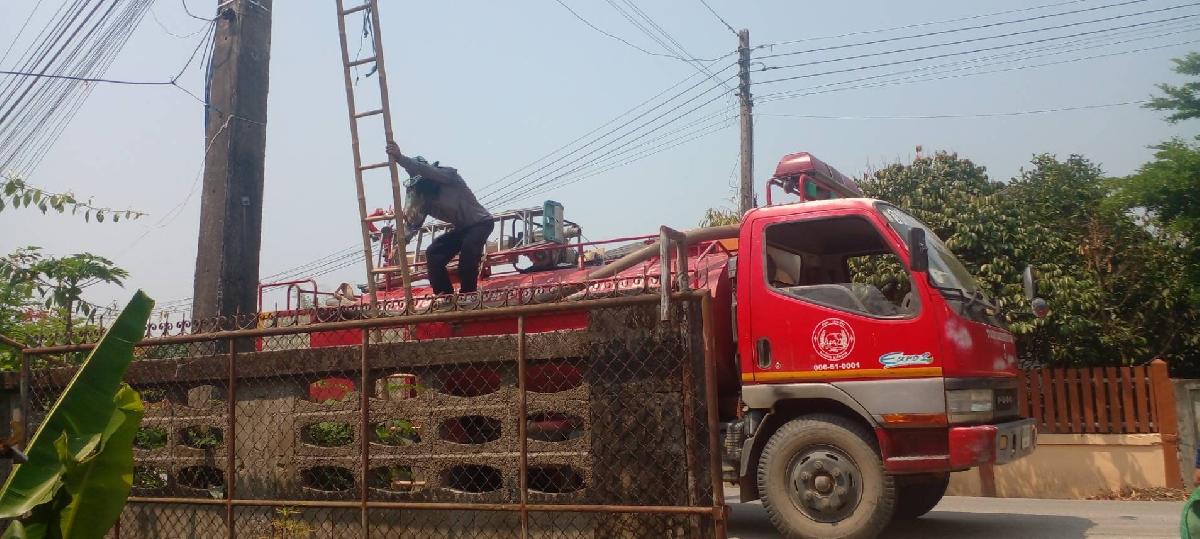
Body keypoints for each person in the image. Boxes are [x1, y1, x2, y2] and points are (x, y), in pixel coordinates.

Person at [385, 142, 494, 295]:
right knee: (433, 253)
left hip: (480, 223)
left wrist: (400, 158)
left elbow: (425, 170)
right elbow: (413, 223)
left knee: (468, 254)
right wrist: (398, 244)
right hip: (463, 229)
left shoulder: (448, 176)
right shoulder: (426, 200)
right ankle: (445, 295)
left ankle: (468, 294)